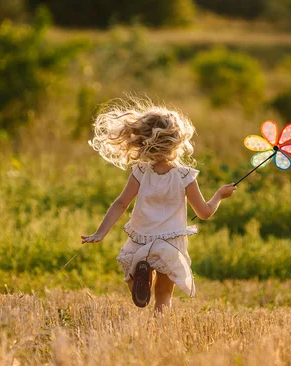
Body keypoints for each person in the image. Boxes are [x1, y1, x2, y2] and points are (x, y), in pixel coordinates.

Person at [81, 100, 236, 312]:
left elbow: (121, 203)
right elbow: (204, 213)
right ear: (178, 142)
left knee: (136, 277)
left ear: (143, 140)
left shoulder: (141, 172)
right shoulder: (185, 176)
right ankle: (159, 324)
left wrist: (100, 232)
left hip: (141, 238)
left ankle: (139, 279)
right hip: (170, 242)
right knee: (163, 295)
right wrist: (219, 195)